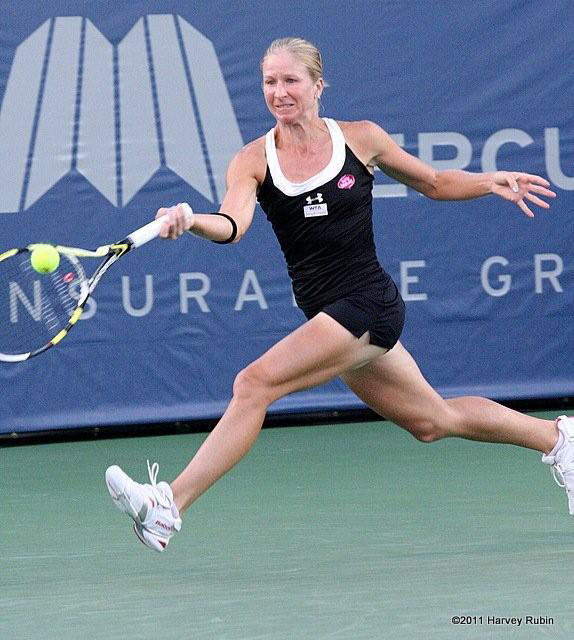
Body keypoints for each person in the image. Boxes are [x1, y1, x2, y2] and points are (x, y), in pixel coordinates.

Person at [105, 37, 571, 552]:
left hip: (368, 303)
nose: (279, 92)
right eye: (269, 82)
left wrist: (489, 182)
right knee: (433, 420)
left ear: (317, 86)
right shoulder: (252, 160)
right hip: (331, 315)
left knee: (254, 384)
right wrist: (191, 220)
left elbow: (435, 181)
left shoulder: (361, 139)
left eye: (291, 80)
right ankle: (559, 440)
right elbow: (232, 224)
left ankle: (168, 506)